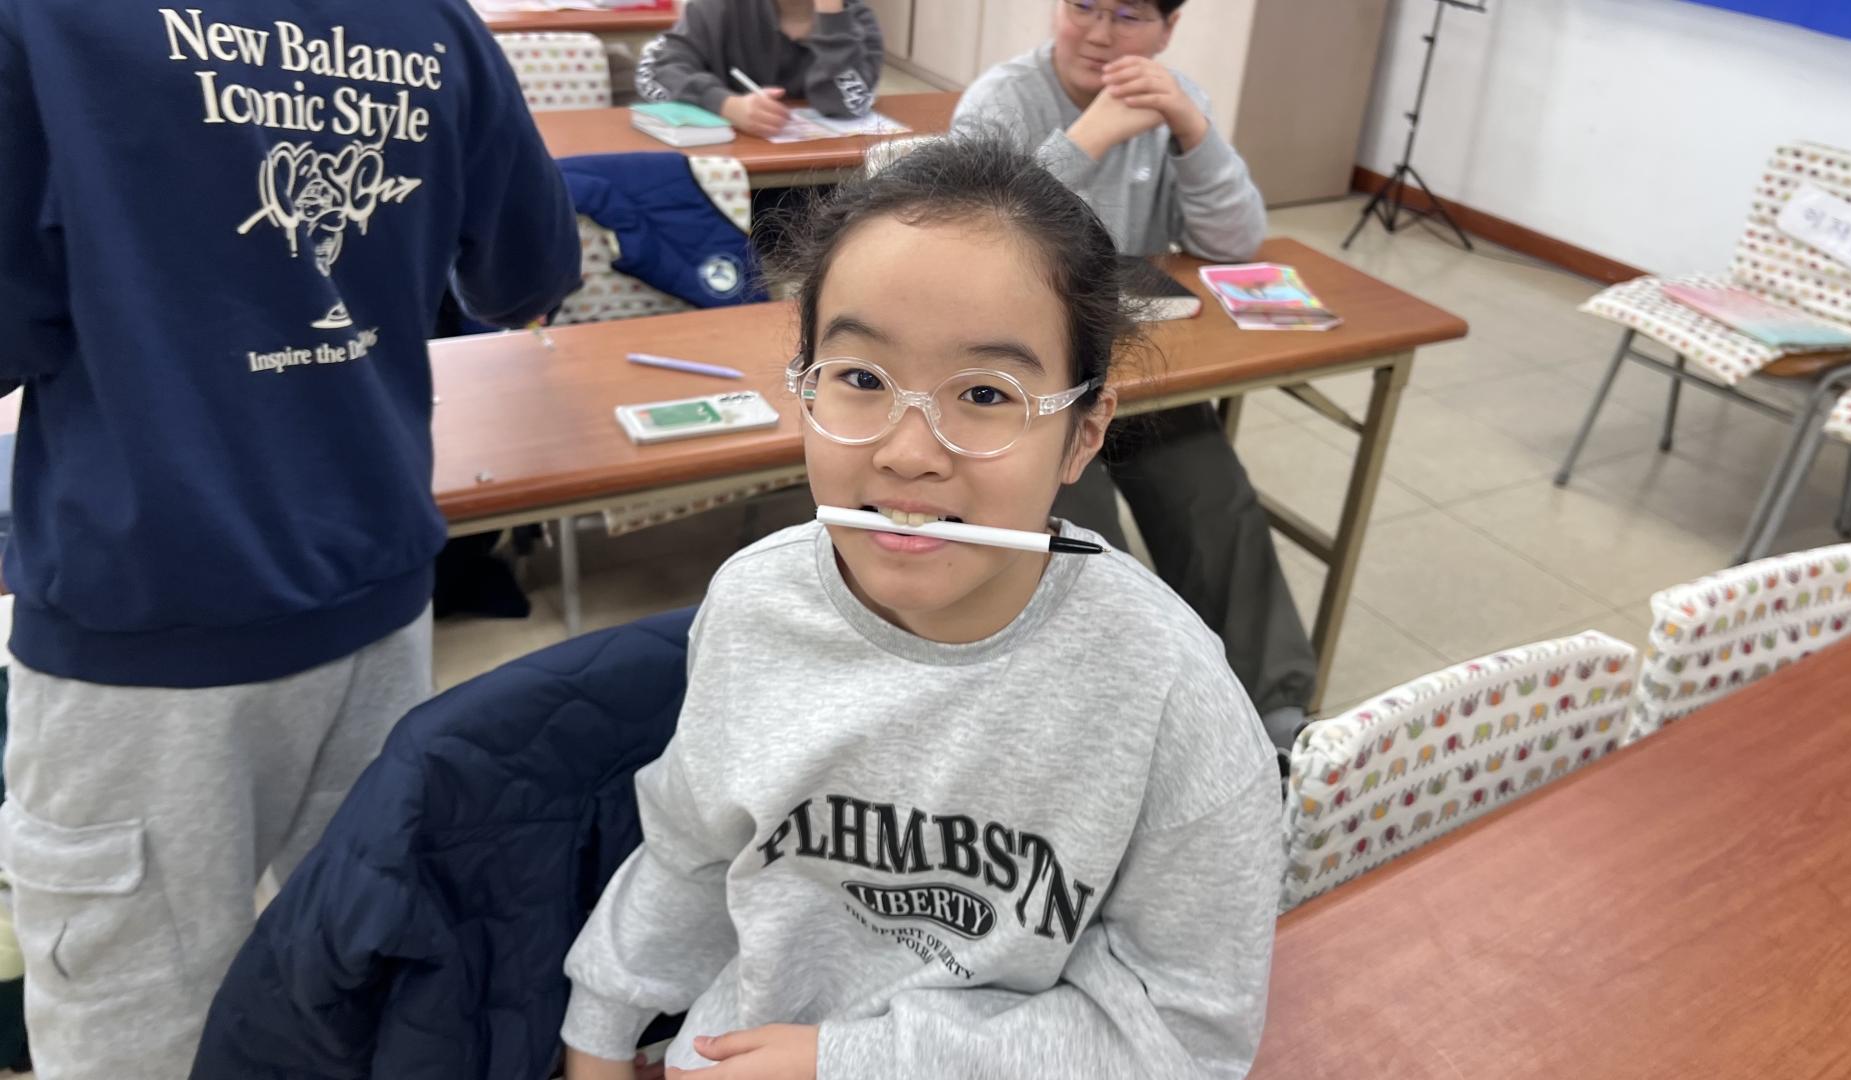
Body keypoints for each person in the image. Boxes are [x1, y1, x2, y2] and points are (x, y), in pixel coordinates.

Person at [560, 139, 1282, 1080]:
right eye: (861, 380)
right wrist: (600, 1032)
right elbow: (690, 856)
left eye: (985, 393)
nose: (907, 453)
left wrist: (848, 1063)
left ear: (1082, 435)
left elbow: (1189, 1036)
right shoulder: (751, 605)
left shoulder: (1168, 693)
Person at [0, 2, 580, 1076]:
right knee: (358, 996)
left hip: (148, 632)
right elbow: (529, 269)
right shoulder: (434, 24)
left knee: (141, 1038)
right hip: (376, 591)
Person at [951, 0, 1317, 756]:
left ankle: (1277, 717)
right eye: (1082, 6)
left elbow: (1235, 241)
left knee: (1214, 499)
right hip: (1022, 384)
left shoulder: (1172, 98)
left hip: (1134, 369)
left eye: (1128, 15)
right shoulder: (1002, 101)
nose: (1098, 32)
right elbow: (969, 248)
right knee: (1084, 529)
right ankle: (1116, 718)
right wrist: (1088, 139)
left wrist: (1192, 129)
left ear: (1168, 29)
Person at [637, 0, 885, 138]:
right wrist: (725, 104)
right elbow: (655, 70)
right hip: (724, 170)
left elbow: (845, 105)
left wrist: (831, 19)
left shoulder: (855, 20)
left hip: (824, 177)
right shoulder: (718, 8)